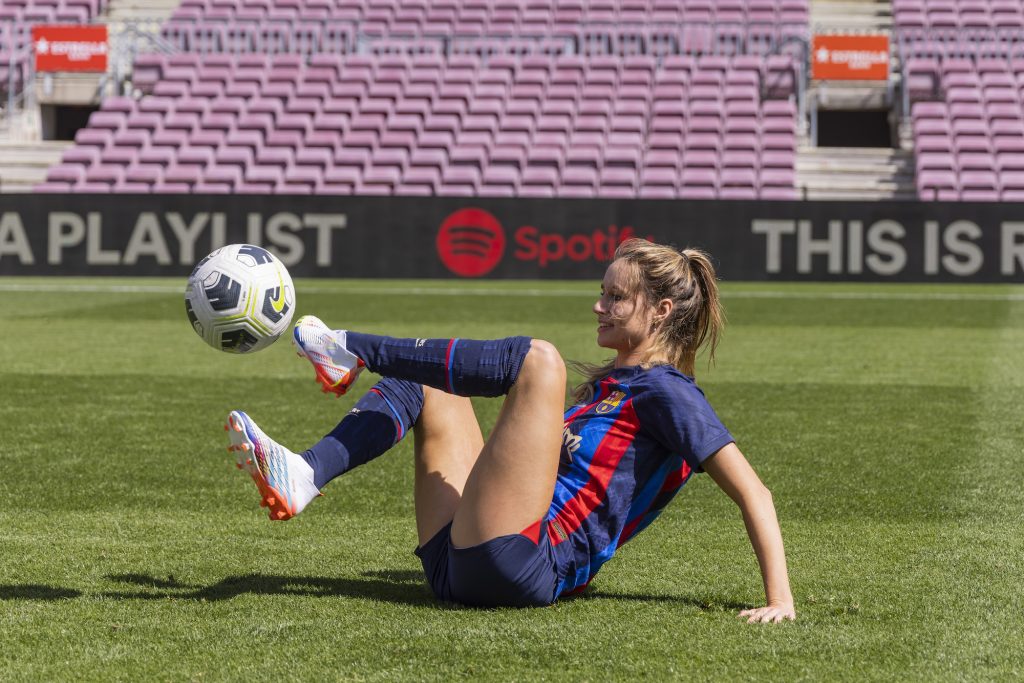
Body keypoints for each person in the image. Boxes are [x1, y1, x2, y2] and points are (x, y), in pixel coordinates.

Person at [225, 238, 795, 622]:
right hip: (461, 561)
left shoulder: (668, 391)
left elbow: (755, 492)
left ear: (663, 311)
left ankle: (349, 347)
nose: (598, 305)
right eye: (602, 292)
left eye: (615, 297)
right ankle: (305, 473)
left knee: (539, 361)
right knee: (428, 383)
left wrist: (780, 600)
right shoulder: (609, 388)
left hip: (522, 563)